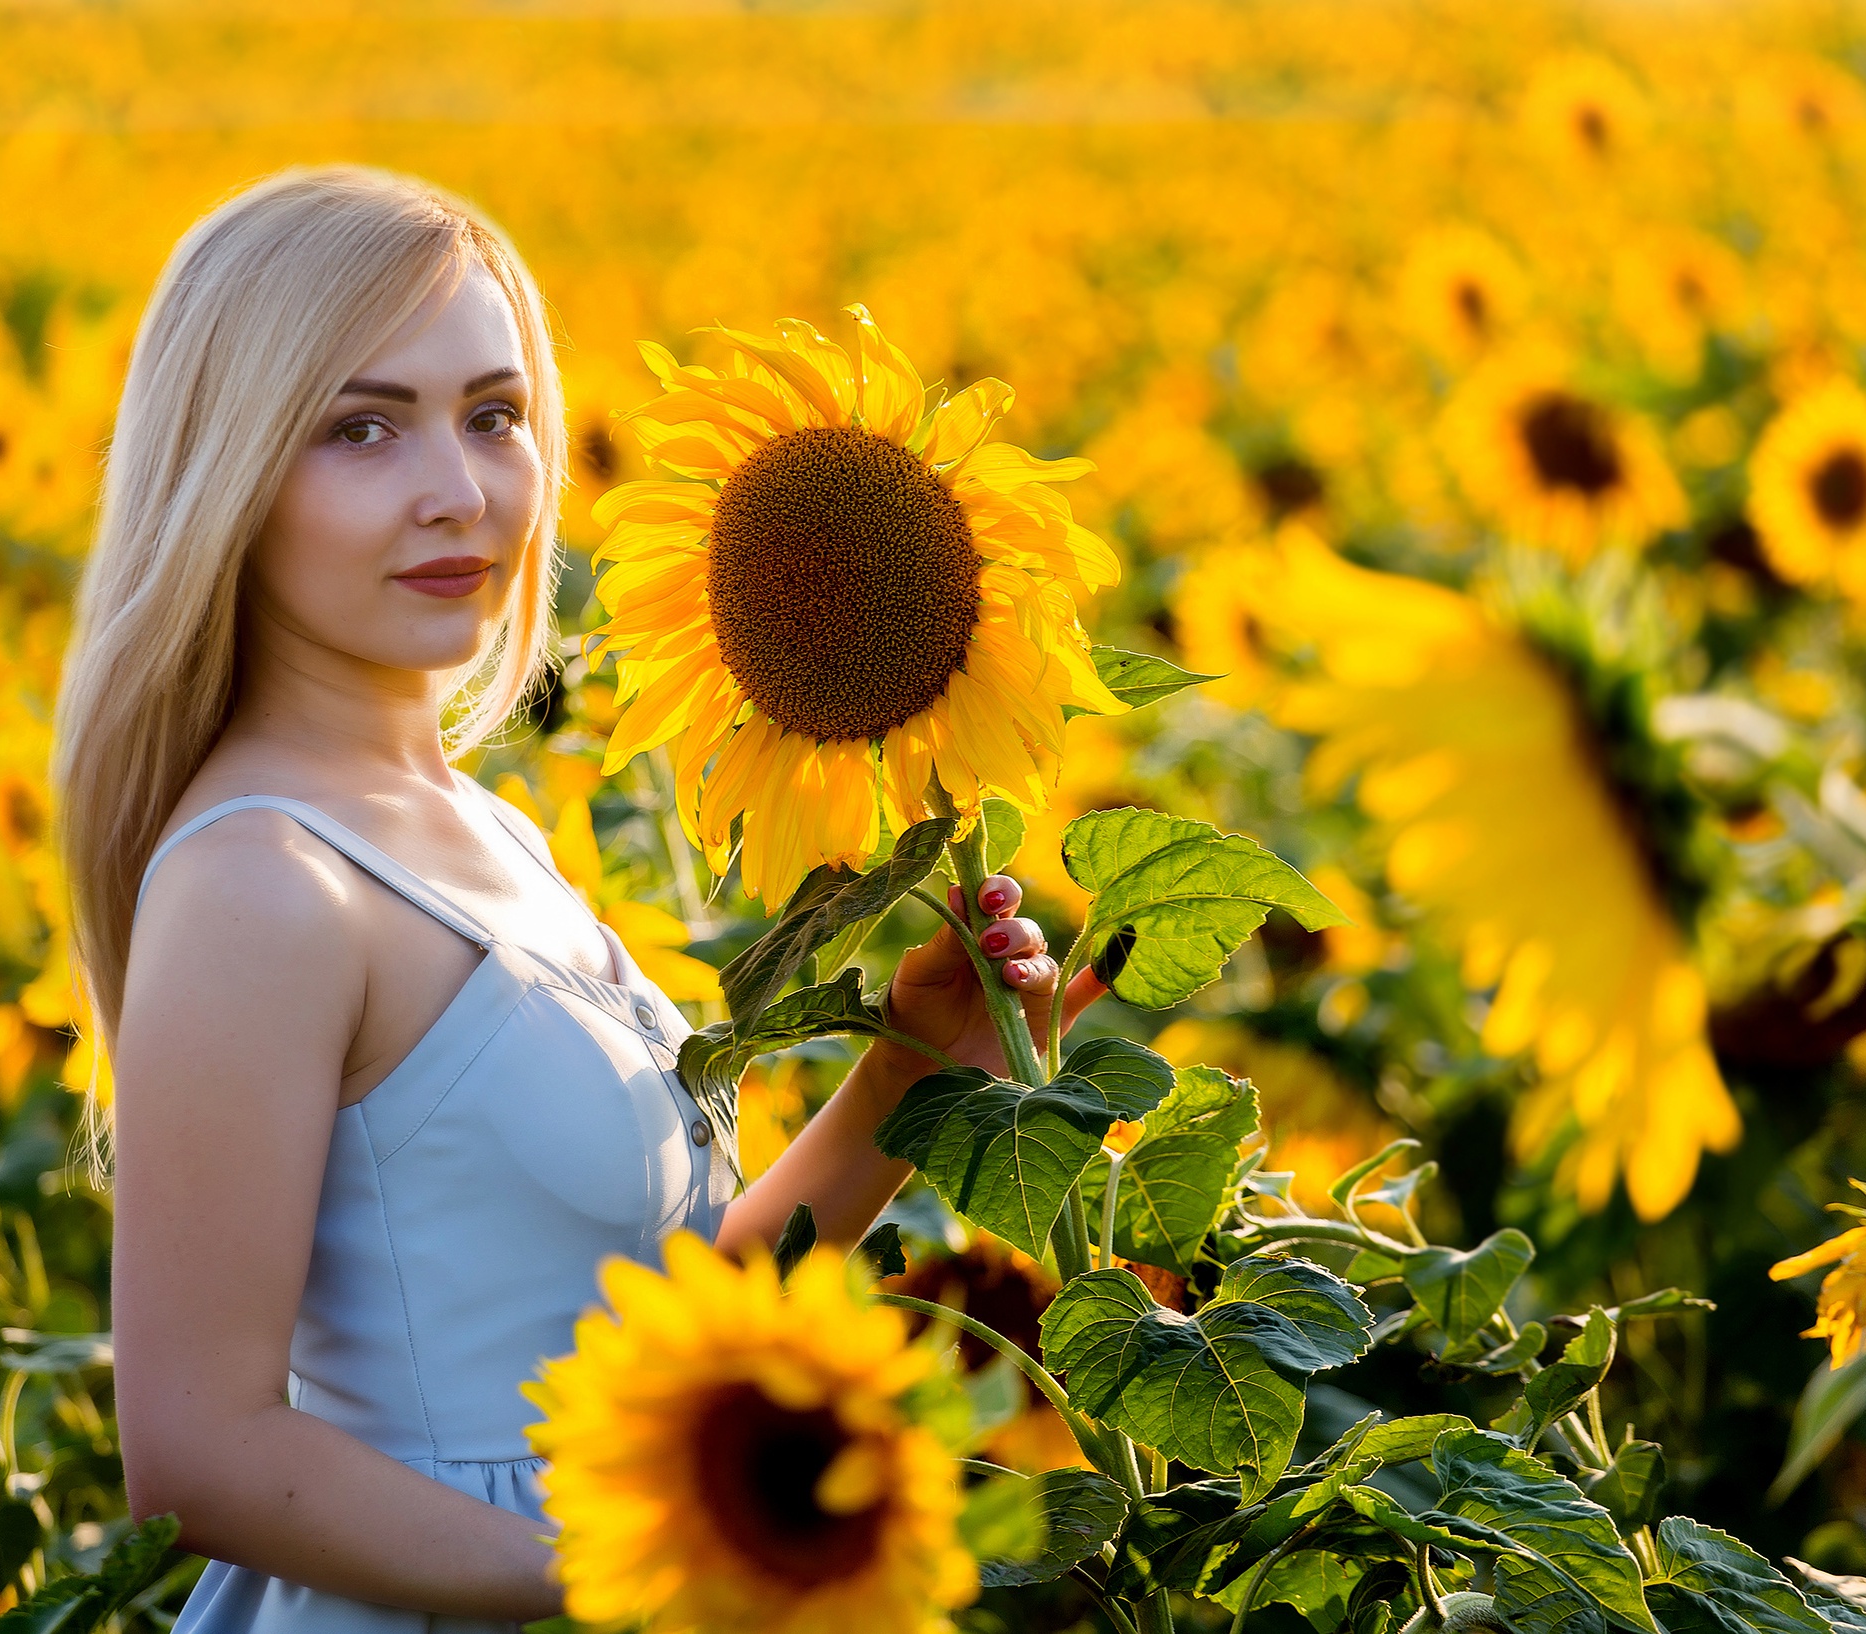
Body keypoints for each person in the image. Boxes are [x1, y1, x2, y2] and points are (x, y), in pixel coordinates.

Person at [55, 165, 1095, 1634]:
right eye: (361, 427)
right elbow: (200, 1450)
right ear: (230, 470)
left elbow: (662, 1317)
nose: (457, 491)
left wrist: (911, 1071)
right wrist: (624, 1571)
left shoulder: (483, 829)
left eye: (492, 415)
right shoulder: (260, 884)